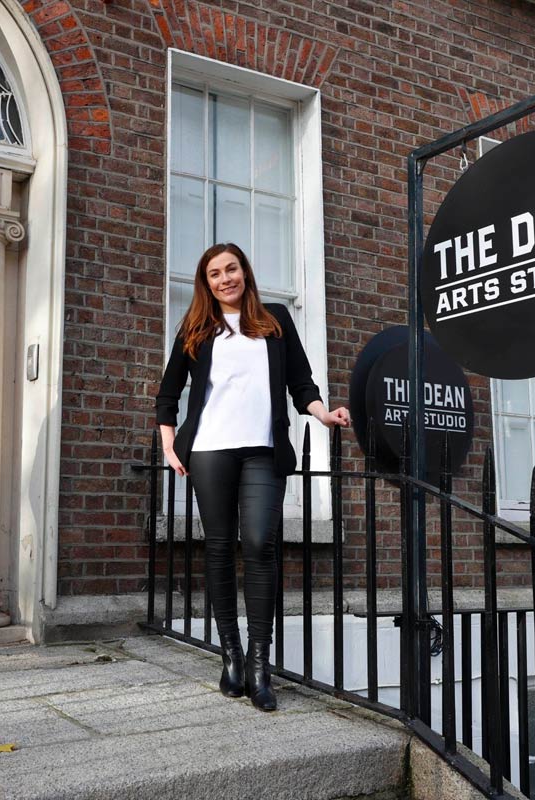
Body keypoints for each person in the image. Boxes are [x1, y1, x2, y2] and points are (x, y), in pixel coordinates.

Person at [155, 243, 351, 711]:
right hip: (208, 450)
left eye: (232, 269)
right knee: (220, 547)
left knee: (262, 542)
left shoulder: (275, 319)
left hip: (263, 449)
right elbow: (168, 393)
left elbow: (301, 382)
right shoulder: (197, 328)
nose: (225, 279)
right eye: (215, 273)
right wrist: (169, 445)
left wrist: (322, 416)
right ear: (206, 282)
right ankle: (231, 659)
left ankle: (261, 667)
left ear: (245, 271)